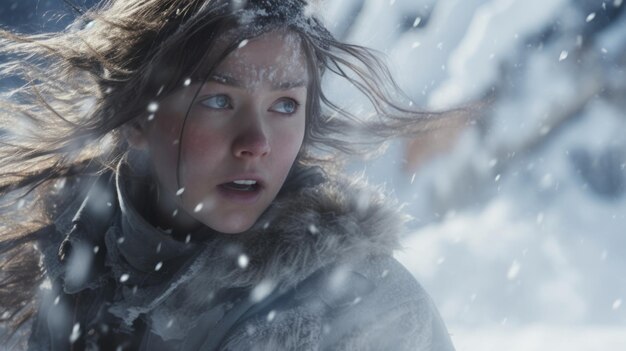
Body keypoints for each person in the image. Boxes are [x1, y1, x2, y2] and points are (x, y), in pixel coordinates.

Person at [0, 0, 458, 349]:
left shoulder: (362, 309)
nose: (256, 142)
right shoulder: (64, 267)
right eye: (218, 100)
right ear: (138, 119)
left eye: (285, 105)